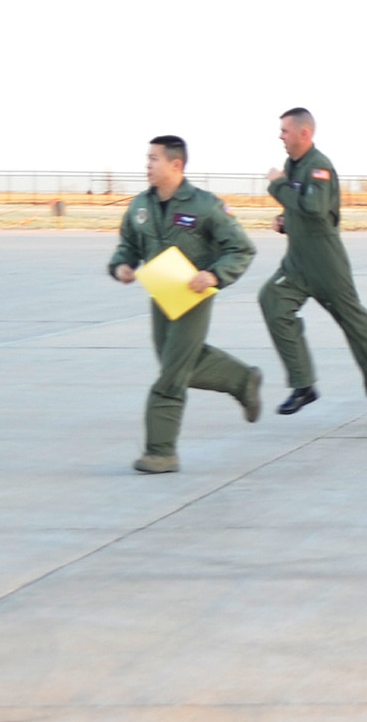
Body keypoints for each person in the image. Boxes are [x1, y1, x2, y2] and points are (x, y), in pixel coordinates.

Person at [107, 136, 261, 473]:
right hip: (161, 294)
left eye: (154, 159)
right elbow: (128, 245)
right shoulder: (140, 207)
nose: (147, 165)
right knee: (175, 359)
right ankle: (242, 380)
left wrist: (215, 275)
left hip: (193, 295)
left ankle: (161, 451)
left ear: (176, 165)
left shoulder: (205, 205)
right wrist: (122, 265)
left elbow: (241, 248)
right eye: (147, 159)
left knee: (173, 372)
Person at [258, 107, 367, 425]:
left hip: (326, 264)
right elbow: (300, 208)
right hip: (297, 264)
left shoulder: (319, 166)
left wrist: (278, 186)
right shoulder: (291, 165)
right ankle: (303, 384)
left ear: (304, 133)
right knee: (271, 300)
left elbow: (315, 207)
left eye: (284, 130)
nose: (280, 136)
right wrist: (286, 221)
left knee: (357, 327)